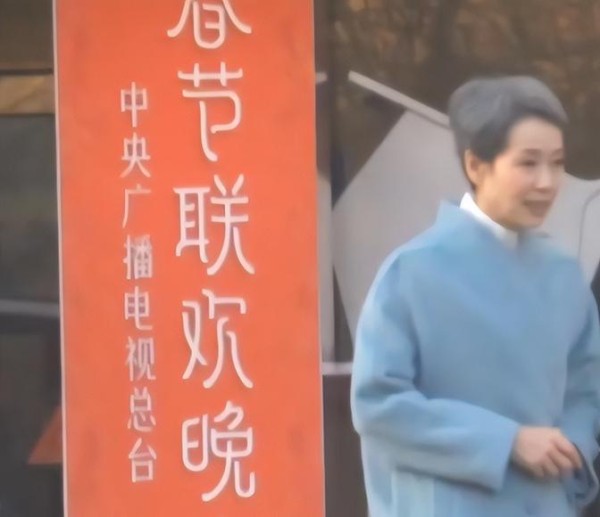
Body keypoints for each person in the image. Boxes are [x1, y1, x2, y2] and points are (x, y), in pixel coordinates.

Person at [350, 75, 600, 517]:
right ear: (476, 165)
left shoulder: (563, 275)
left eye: (558, 163)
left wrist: (573, 450)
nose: (547, 182)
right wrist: (507, 442)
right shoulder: (412, 272)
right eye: (528, 163)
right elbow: (378, 406)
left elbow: (587, 387)